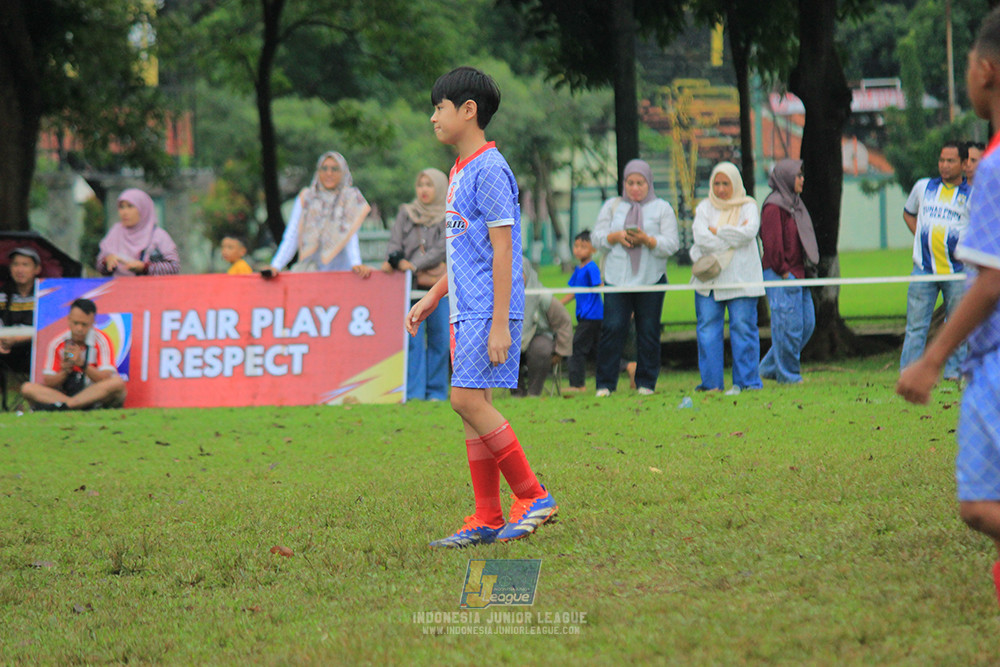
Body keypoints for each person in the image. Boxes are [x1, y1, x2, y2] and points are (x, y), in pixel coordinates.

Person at [406, 66, 557, 547]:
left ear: (468, 111)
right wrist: (434, 293)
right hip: (464, 308)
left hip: (486, 313)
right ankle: (487, 516)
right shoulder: (460, 170)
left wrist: (499, 325)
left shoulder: (490, 168)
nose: (433, 117)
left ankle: (533, 495)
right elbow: (466, 251)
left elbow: (503, 249)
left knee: (464, 400)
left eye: (439, 107)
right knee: (476, 408)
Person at [897, 9, 1000, 608]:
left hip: (993, 358)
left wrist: (931, 360)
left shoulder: (991, 168)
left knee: (980, 505)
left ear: (985, 71)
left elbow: (988, 283)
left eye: (965, 64)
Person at [591, 159, 680, 396]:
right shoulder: (613, 206)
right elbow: (596, 237)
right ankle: (605, 383)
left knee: (648, 330)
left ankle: (646, 382)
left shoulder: (662, 208)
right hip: (617, 278)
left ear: (648, 183)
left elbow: (672, 243)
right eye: (630, 183)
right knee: (612, 327)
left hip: (650, 278)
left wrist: (648, 240)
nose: (635, 188)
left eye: (640, 183)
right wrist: (615, 236)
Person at [689, 162, 764, 394]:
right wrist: (731, 232)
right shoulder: (704, 208)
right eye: (717, 183)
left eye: (726, 183)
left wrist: (716, 230)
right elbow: (701, 238)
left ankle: (747, 383)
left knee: (743, 328)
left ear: (736, 183)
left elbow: (749, 233)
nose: (721, 189)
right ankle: (711, 384)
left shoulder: (748, 206)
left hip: (742, 279)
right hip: (709, 282)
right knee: (707, 331)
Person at [899, 141, 971, 382]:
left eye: (950, 161)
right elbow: (909, 214)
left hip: (957, 272)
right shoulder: (923, 187)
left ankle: (953, 373)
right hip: (924, 270)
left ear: (963, 164)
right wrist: (922, 239)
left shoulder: (971, 196)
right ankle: (908, 373)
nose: (944, 165)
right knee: (916, 326)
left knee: (958, 326)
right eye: (941, 160)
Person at [383, 168, 450, 401]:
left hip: (439, 286)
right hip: (410, 287)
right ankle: (414, 392)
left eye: (429, 185)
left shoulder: (448, 214)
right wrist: (395, 259)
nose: (424, 189)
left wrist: (413, 264)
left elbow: (443, 248)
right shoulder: (406, 213)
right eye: (420, 184)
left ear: (440, 187)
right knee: (413, 339)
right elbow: (394, 242)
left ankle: (436, 392)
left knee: (440, 338)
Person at [758, 159, 819, 385]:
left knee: (806, 324)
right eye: (798, 175)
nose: (802, 180)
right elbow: (772, 243)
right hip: (781, 274)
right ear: (786, 177)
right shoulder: (774, 206)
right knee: (788, 328)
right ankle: (789, 376)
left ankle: (767, 367)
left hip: (798, 273)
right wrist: (784, 271)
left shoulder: (795, 203)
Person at [265, 151, 372, 279]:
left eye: (335, 169)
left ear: (343, 172)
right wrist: (276, 265)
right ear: (318, 171)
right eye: (324, 168)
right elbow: (292, 235)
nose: (329, 173)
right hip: (311, 271)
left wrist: (356, 263)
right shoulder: (307, 197)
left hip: (342, 271)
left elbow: (350, 235)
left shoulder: (350, 198)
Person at [21, 298, 126, 411]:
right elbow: (49, 381)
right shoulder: (57, 343)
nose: (79, 329)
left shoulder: (101, 341)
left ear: (92, 323)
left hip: (93, 394)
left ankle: (68, 405)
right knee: (27, 388)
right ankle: (71, 404)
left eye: (84, 325)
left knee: (117, 383)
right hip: (65, 393)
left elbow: (105, 377)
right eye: (75, 323)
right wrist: (65, 371)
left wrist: (83, 365)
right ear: (69, 320)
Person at [517, 264, 572, 396]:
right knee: (506, 348)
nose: (516, 278)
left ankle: (533, 392)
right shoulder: (502, 297)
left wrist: (560, 352)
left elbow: (564, 321)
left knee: (540, 348)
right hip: (513, 338)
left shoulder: (542, 296)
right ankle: (517, 393)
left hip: (540, 335)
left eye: (520, 274)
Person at [97, 189, 180, 277]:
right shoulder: (114, 233)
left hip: (150, 289)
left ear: (143, 208)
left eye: (130, 206)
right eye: (121, 207)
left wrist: (144, 267)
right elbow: (99, 266)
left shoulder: (158, 236)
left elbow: (174, 267)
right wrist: (107, 262)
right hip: (119, 289)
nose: (124, 212)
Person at [559, 230, 603, 392]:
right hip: (585, 317)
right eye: (576, 246)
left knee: (575, 347)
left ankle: (578, 385)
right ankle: (628, 366)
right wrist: (558, 304)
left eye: (583, 246)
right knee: (598, 350)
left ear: (593, 249)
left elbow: (599, 287)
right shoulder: (579, 269)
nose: (578, 250)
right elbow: (574, 292)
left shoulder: (591, 267)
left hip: (592, 316)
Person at [1, 247, 41, 376]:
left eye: (25, 265)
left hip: (34, 347)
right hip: (5, 347)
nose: (20, 270)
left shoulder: (45, 294)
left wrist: (19, 339)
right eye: (15, 264)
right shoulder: (3, 293)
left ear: (37, 269)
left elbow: (48, 327)